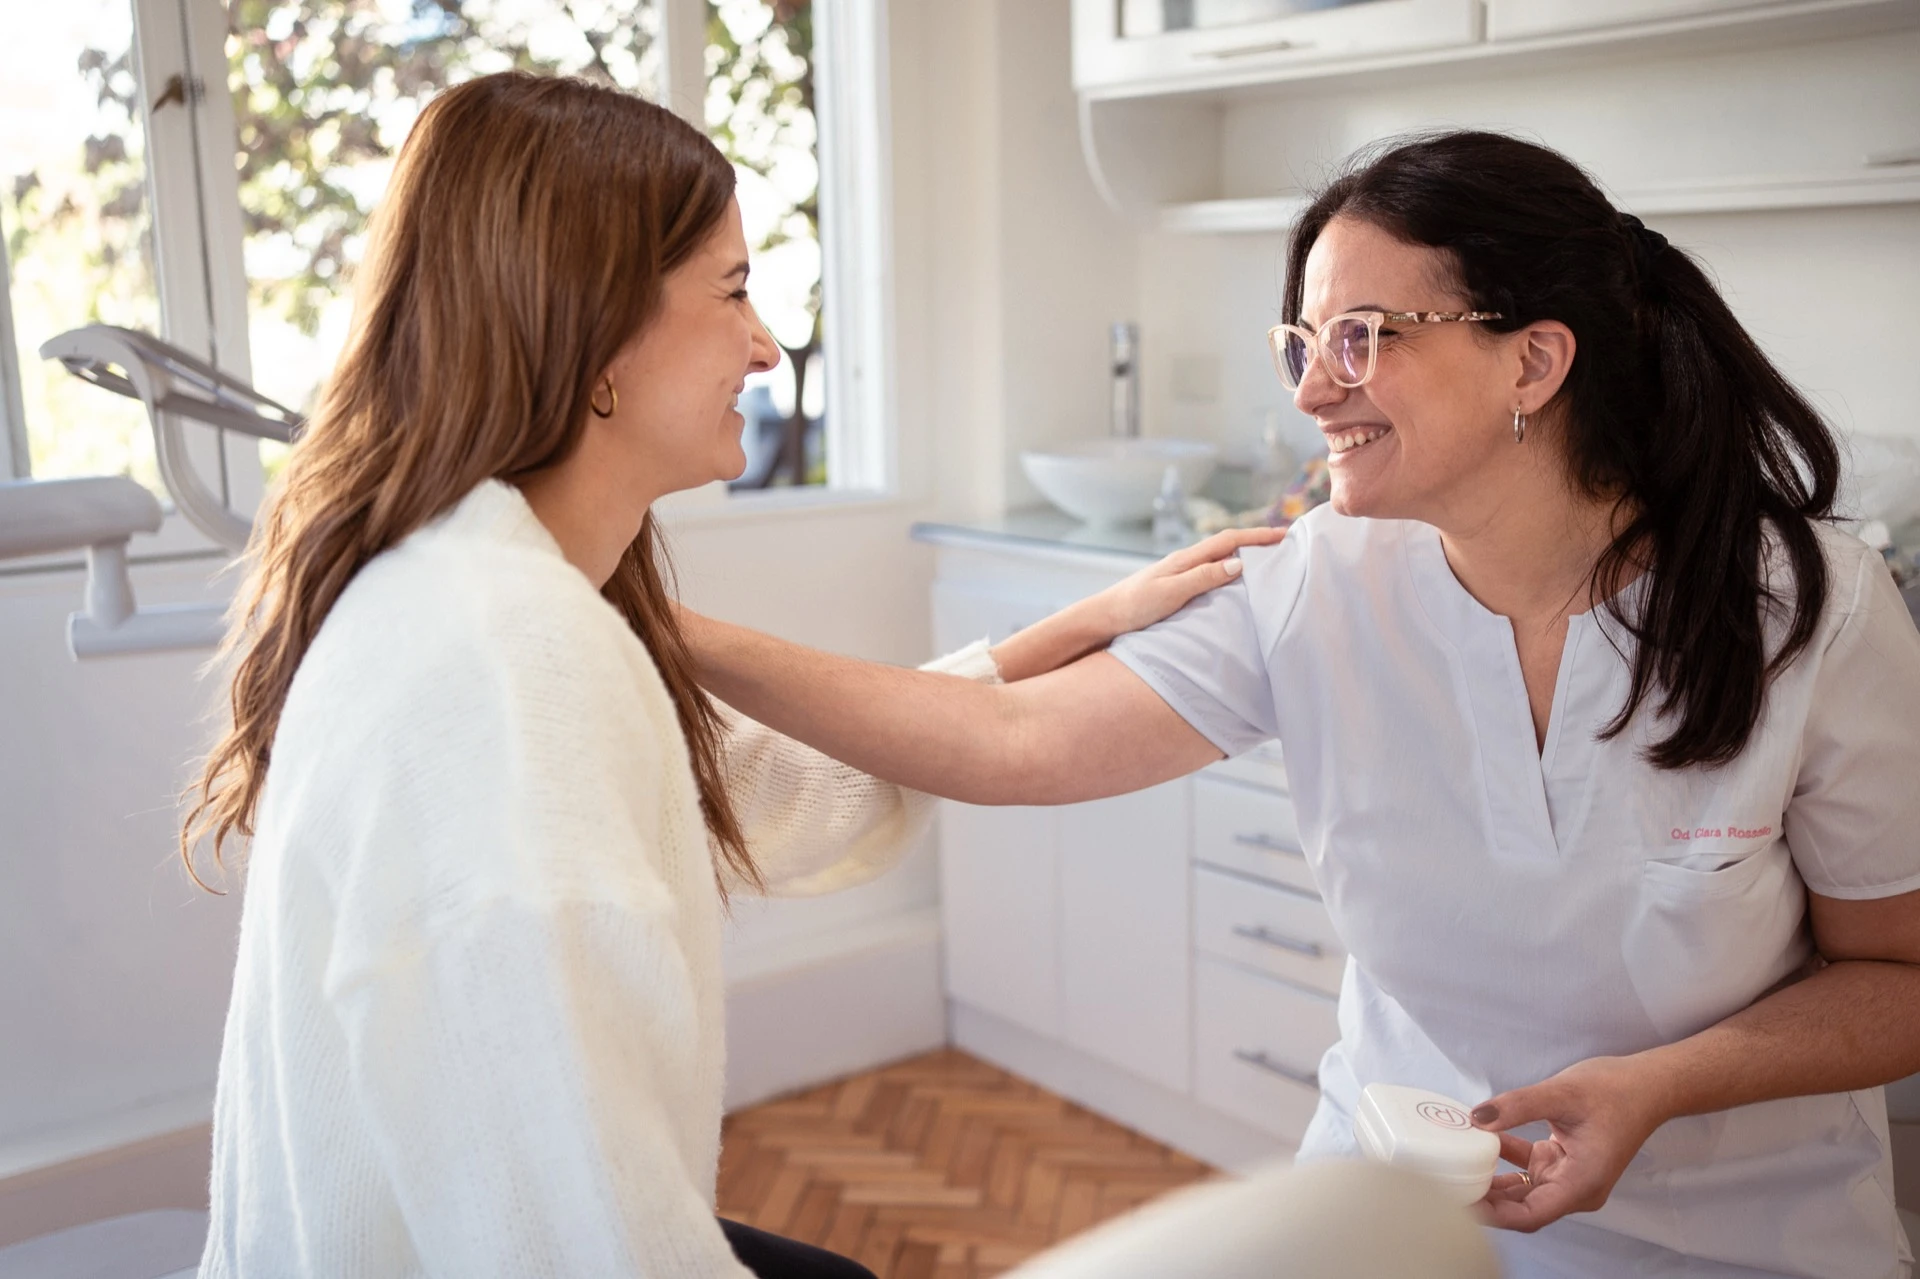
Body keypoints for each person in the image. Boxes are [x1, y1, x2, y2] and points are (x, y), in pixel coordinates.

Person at [678, 131, 1920, 1278]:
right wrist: (669, 628)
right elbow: (1003, 743)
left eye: (1364, 336)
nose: (1315, 391)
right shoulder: (1312, 580)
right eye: (1304, 343)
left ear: (1534, 360)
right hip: (1405, 1211)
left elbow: (1900, 976)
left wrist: (1657, 1087)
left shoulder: (1810, 608)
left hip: (1750, 1234)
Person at [179, 71, 1278, 1279]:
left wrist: (1063, 628)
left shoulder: (494, 597)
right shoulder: (504, 666)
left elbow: (767, 789)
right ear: (594, 333)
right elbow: (570, 1230)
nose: (764, 345)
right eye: (737, 290)